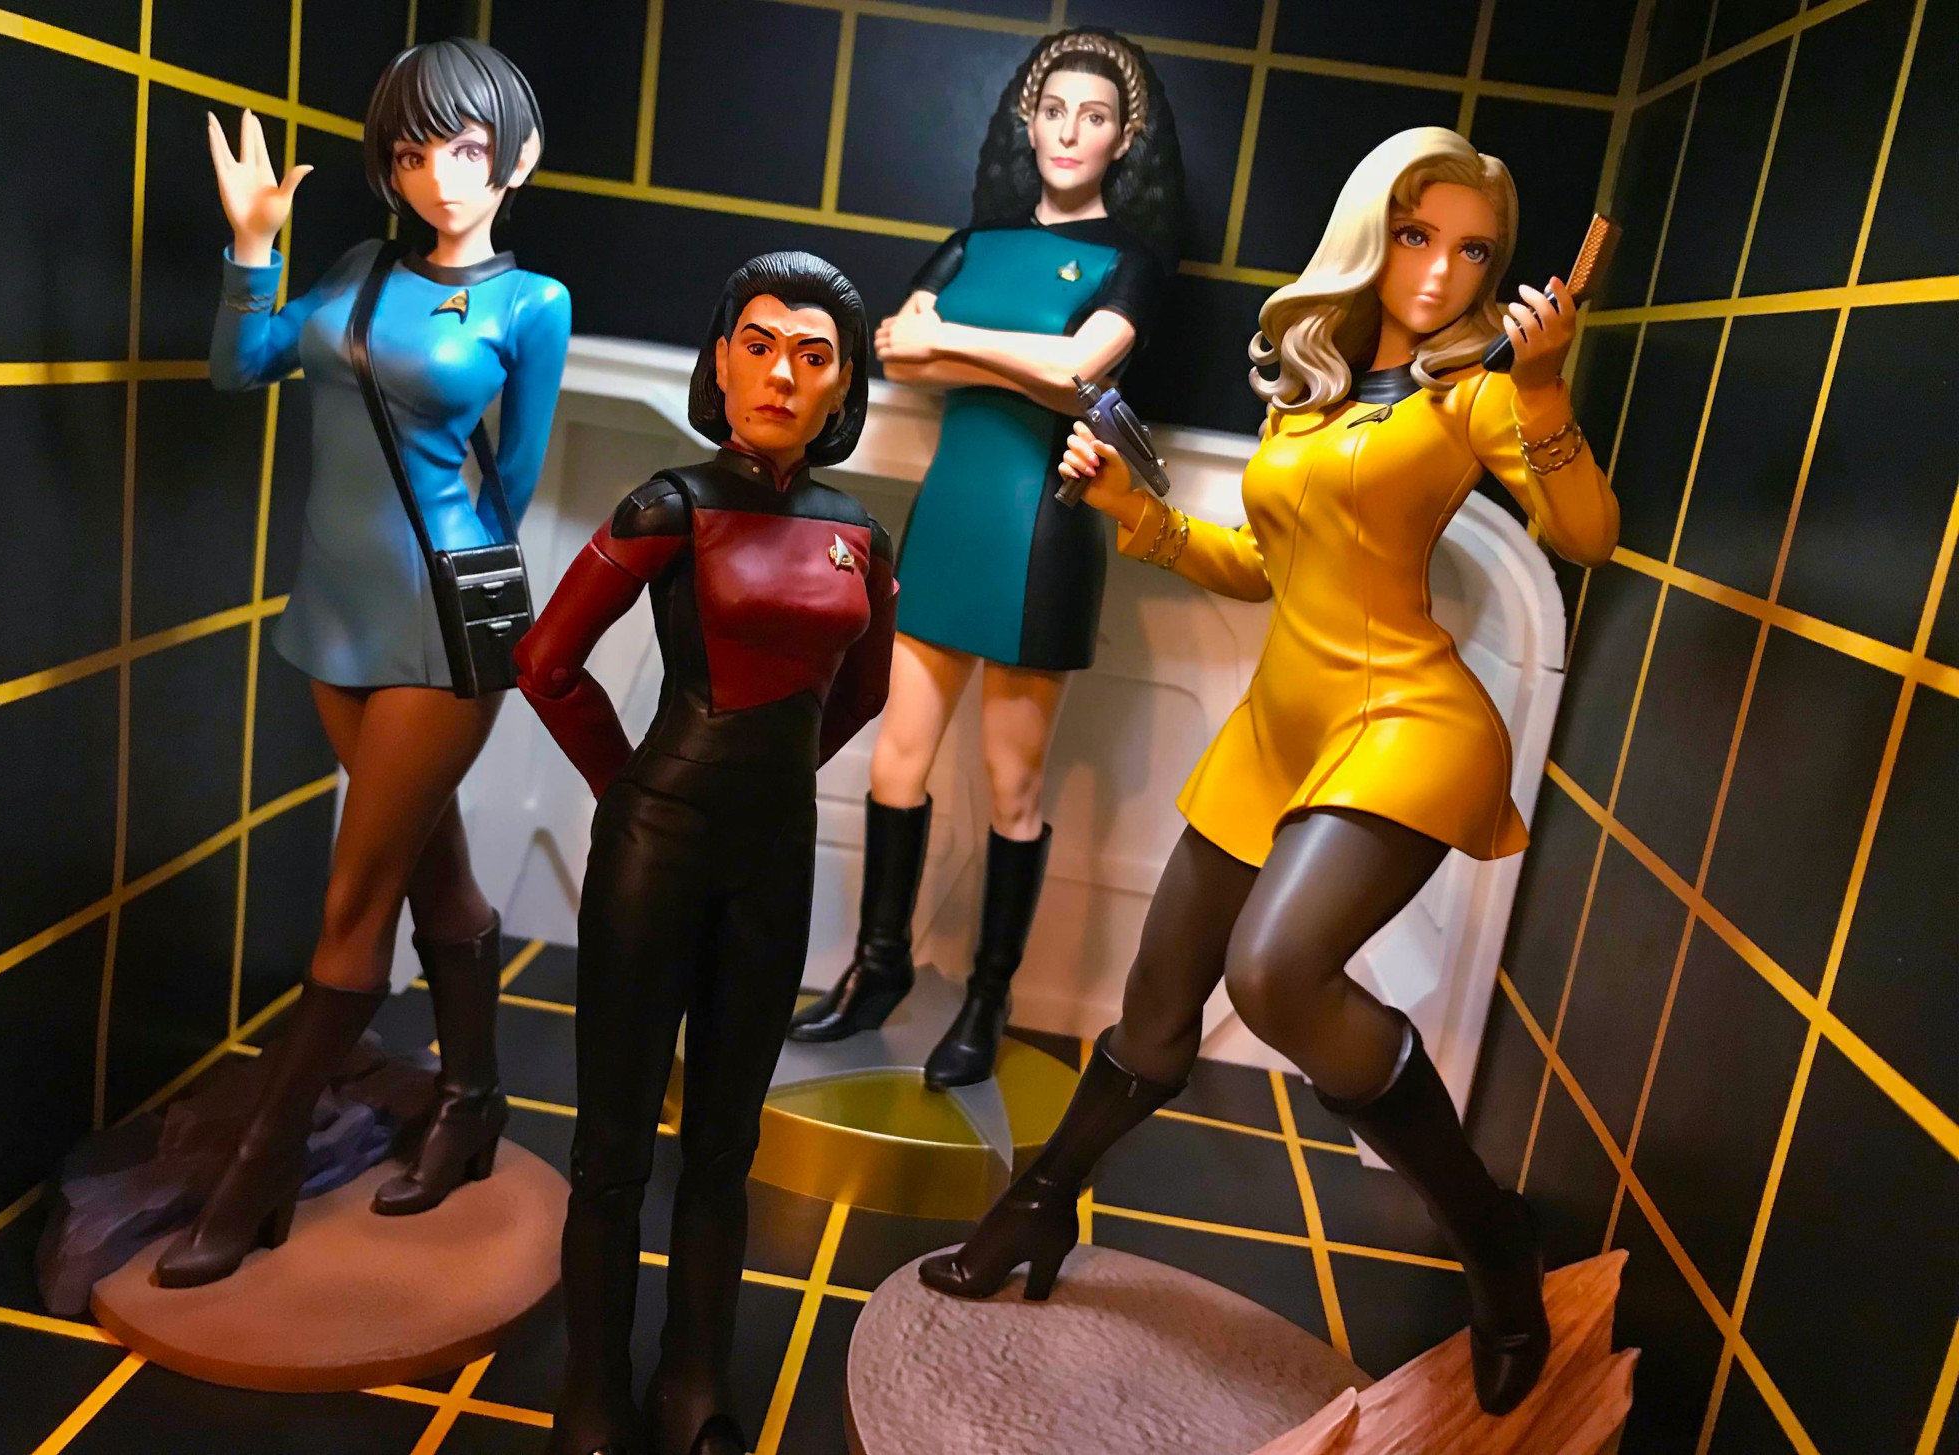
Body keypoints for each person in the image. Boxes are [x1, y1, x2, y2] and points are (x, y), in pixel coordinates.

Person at [920, 127, 1620, 1417]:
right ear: (1368, 235)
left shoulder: (1475, 395)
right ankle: (1037, 1208)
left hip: (1406, 721)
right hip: (1276, 731)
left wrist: (1541, 388)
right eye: (1414, 236)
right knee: (1151, 1014)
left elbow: (1586, 534)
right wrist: (1136, 517)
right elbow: (1262, 565)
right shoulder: (1313, 384)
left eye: (1473, 251)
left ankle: (1491, 1240)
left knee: (1276, 972)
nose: (1439, 271)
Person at [153, 39, 569, 1288]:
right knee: (428, 865)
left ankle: (263, 1164)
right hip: (332, 611)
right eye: (410, 151)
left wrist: (466, 594)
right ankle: (473, 1100)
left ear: (514, 159)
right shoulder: (353, 269)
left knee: (353, 902)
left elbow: (514, 480)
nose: (439, 176)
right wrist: (252, 246)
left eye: (466, 148)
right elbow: (240, 366)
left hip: (440, 624)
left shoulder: (529, 303)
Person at [515, 253, 895, 1455]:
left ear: (844, 386)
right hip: (657, 849)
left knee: (728, 1145)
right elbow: (545, 663)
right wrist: (629, 789)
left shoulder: (860, 534)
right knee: (612, 1144)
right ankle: (590, 1396)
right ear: (720, 360)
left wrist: (768, 786)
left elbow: (866, 690)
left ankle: (693, 1386)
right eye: (759, 344)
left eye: (813, 355)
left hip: (773, 855)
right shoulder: (666, 504)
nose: (782, 373)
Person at [789, 27, 1187, 1091]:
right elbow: (891, 348)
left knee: (1011, 784)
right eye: (1053, 111)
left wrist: (961, 345)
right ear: (1027, 121)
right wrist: (1022, 362)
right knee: (895, 761)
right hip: (954, 511)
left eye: (1093, 116)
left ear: (1122, 138)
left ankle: (986, 996)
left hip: (1044, 527)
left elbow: (1076, 374)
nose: (1069, 132)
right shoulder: (973, 240)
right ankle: (878, 968)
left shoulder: (1134, 262)